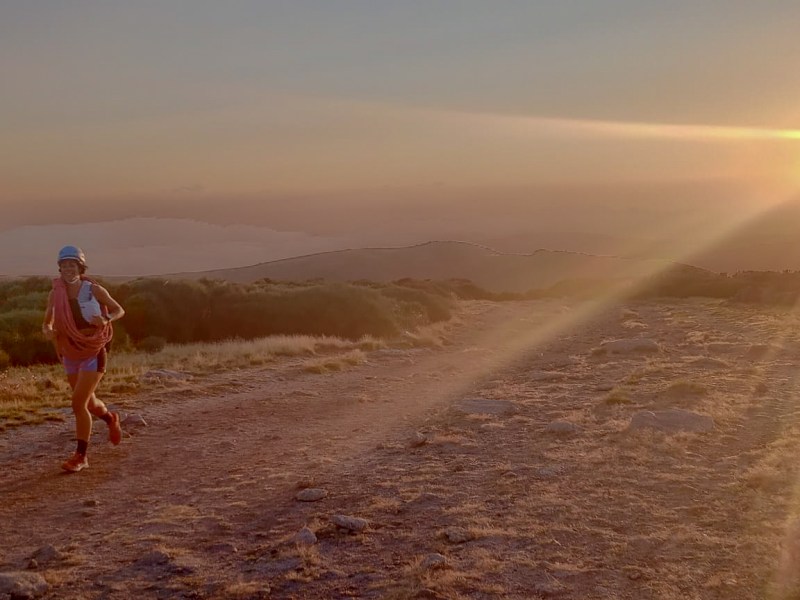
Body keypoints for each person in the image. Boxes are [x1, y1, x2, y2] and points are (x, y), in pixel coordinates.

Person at [42, 246, 126, 473]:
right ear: (59, 267)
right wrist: (48, 329)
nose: (68, 268)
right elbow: (47, 320)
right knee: (88, 402)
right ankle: (110, 419)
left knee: (77, 403)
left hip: (93, 350)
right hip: (70, 351)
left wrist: (106, 318)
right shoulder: (55, 293)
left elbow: (119, 310)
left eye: (73, 264)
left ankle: (81, 456)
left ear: (80, 267)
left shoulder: (93, 289)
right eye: (64, 265)